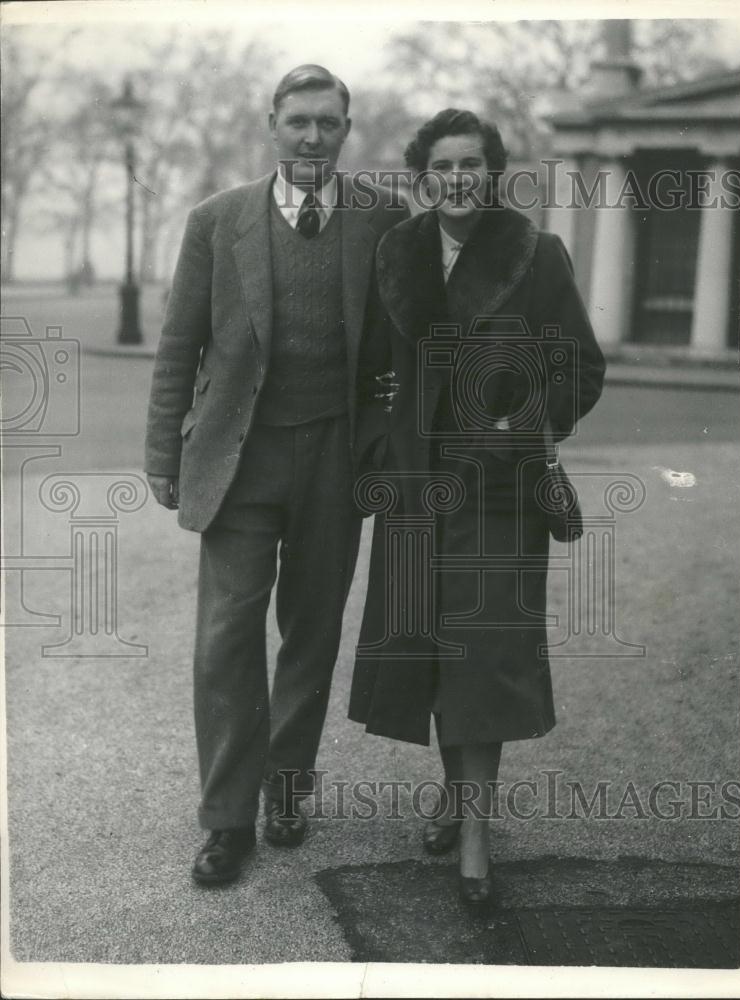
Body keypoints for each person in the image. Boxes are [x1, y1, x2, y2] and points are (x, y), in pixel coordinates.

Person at [144, 65, 408, 885]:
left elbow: (398, 348)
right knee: (226, 639)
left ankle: (286, 789)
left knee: (312, 630)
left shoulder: (382, 218)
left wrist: (387, 437)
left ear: (345, 130)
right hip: (239, 457)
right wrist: (162, 455)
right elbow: (179, 346)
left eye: (328, 124)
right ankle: (227, 820)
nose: (311, 138)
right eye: (297, 121)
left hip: (335, 455)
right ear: (271, 124)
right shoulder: (216, 221)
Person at [349, 109, 606, 907]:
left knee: (485, 659)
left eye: (472, 164)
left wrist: (517, 417)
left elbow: (579, 371)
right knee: (429, 648)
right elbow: (371, 367)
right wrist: (387, 423)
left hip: (499, 492)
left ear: (492, 173)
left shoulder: (536, 254)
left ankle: (474, 835)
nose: (457, 178)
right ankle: (456, 797)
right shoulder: (397, 251)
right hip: (418, 488)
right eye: (442, 165)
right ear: (422, 175)